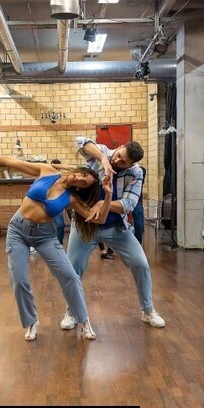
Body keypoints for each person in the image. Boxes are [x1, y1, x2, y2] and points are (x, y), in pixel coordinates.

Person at [0, 151, 110, 341]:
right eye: (82, 175)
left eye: (83, 183)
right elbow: (14, 162)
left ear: (81, 188)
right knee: (19, 279)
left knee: (70, 276)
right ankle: (31, 322)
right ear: (78, 171)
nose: (79, 179)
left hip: (45, 236)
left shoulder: (72, 199)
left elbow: (99, 219)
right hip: (18, 230)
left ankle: (83, 320)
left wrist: (107, 196)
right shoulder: (47, 171)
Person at [62, 137, 166, 329]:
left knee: (141, 264)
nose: (117, 161)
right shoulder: (102, 153)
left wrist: (104, 203)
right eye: (118, 155)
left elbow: (129, 204)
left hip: (115, 227)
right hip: (85, 226)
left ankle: (148, 310)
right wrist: (103, 159)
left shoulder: (135, 173)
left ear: (131, 165)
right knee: (73, 269)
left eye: (123, 162)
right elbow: (80, 142)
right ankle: (72, 311)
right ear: (119, 147)